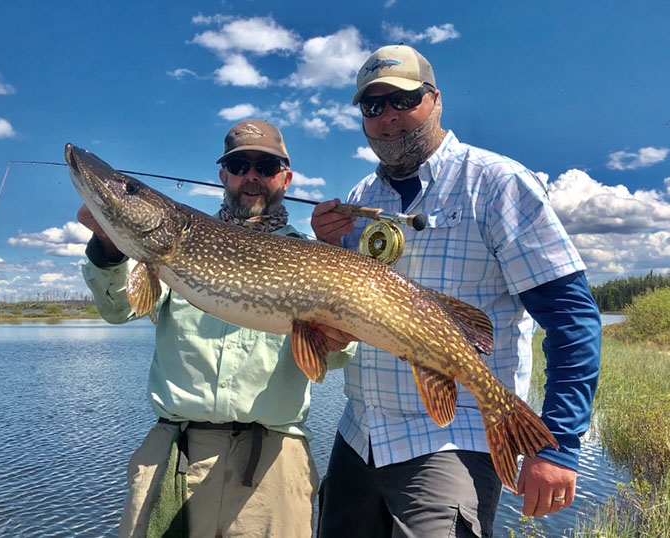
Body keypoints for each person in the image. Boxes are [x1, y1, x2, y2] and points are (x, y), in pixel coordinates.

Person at [311, 45, 601, 537]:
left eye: (402, 100)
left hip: (452, 440)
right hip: (358, 436)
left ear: (435, 99)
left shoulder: (497, 183)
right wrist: (329, 245)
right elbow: (352, 310)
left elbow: (573, 318)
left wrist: (557, 447)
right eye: (372, 106)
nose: (388, 118)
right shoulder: (362, 198)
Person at [77, 119, 355, 538]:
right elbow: (118, 309)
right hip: (174, 454)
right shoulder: (176, 241)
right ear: (223, 174)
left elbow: (333, 359)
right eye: (240, 165)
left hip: (273, 464)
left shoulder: (314, 256)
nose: (252, 177)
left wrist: (335, 334)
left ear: (286, 177)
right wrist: (109, 245)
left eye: (266, 166)